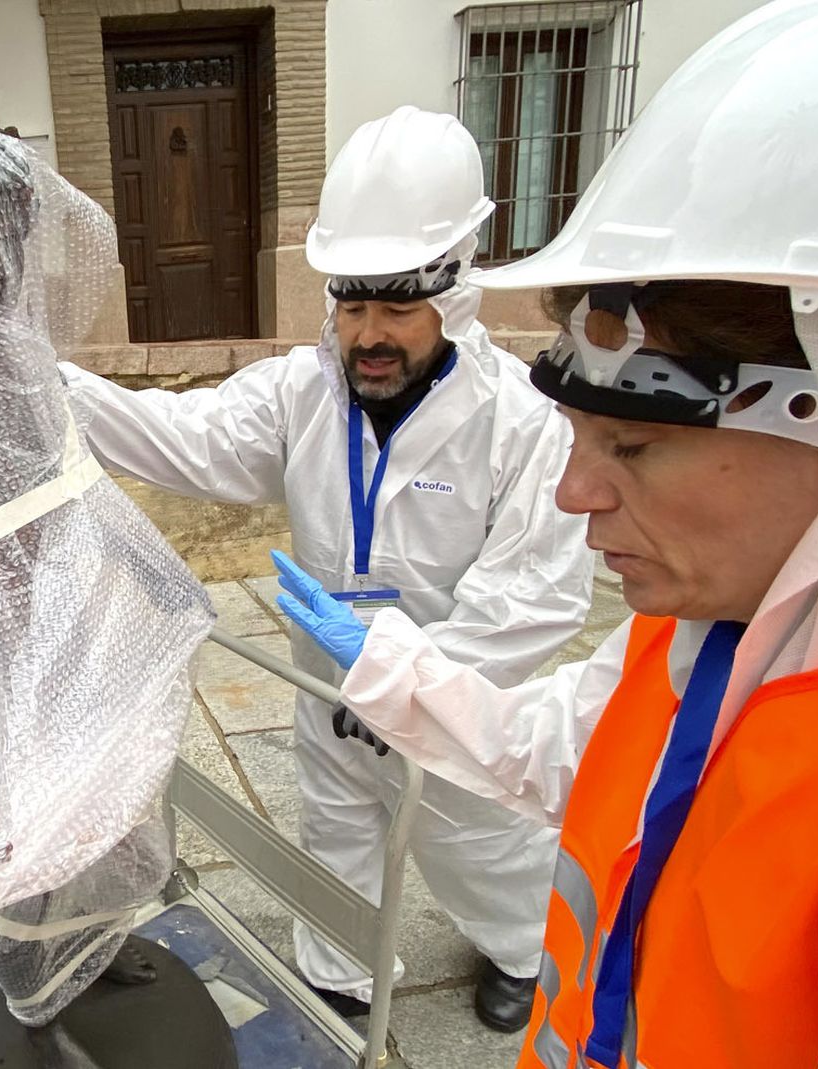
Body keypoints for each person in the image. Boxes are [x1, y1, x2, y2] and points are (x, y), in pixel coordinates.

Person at [274, 1, 818, 1062]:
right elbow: (564, 746)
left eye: (630, 445)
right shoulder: (707, 634)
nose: (573, 496)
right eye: (576, 436)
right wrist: (395, 675)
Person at [62, 106, 594, 1032]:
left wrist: (417, 688)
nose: (369, 335)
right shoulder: (302, 394)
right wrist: (38, 380)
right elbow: (179, 435)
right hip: (325, 681)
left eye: (397, 307)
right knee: (336, 827)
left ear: (455, 296)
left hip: (456, 694)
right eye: (353, 307)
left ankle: (516, 947)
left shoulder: (521, 422)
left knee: (481, 842)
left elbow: (533, 595)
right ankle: (340, 977)